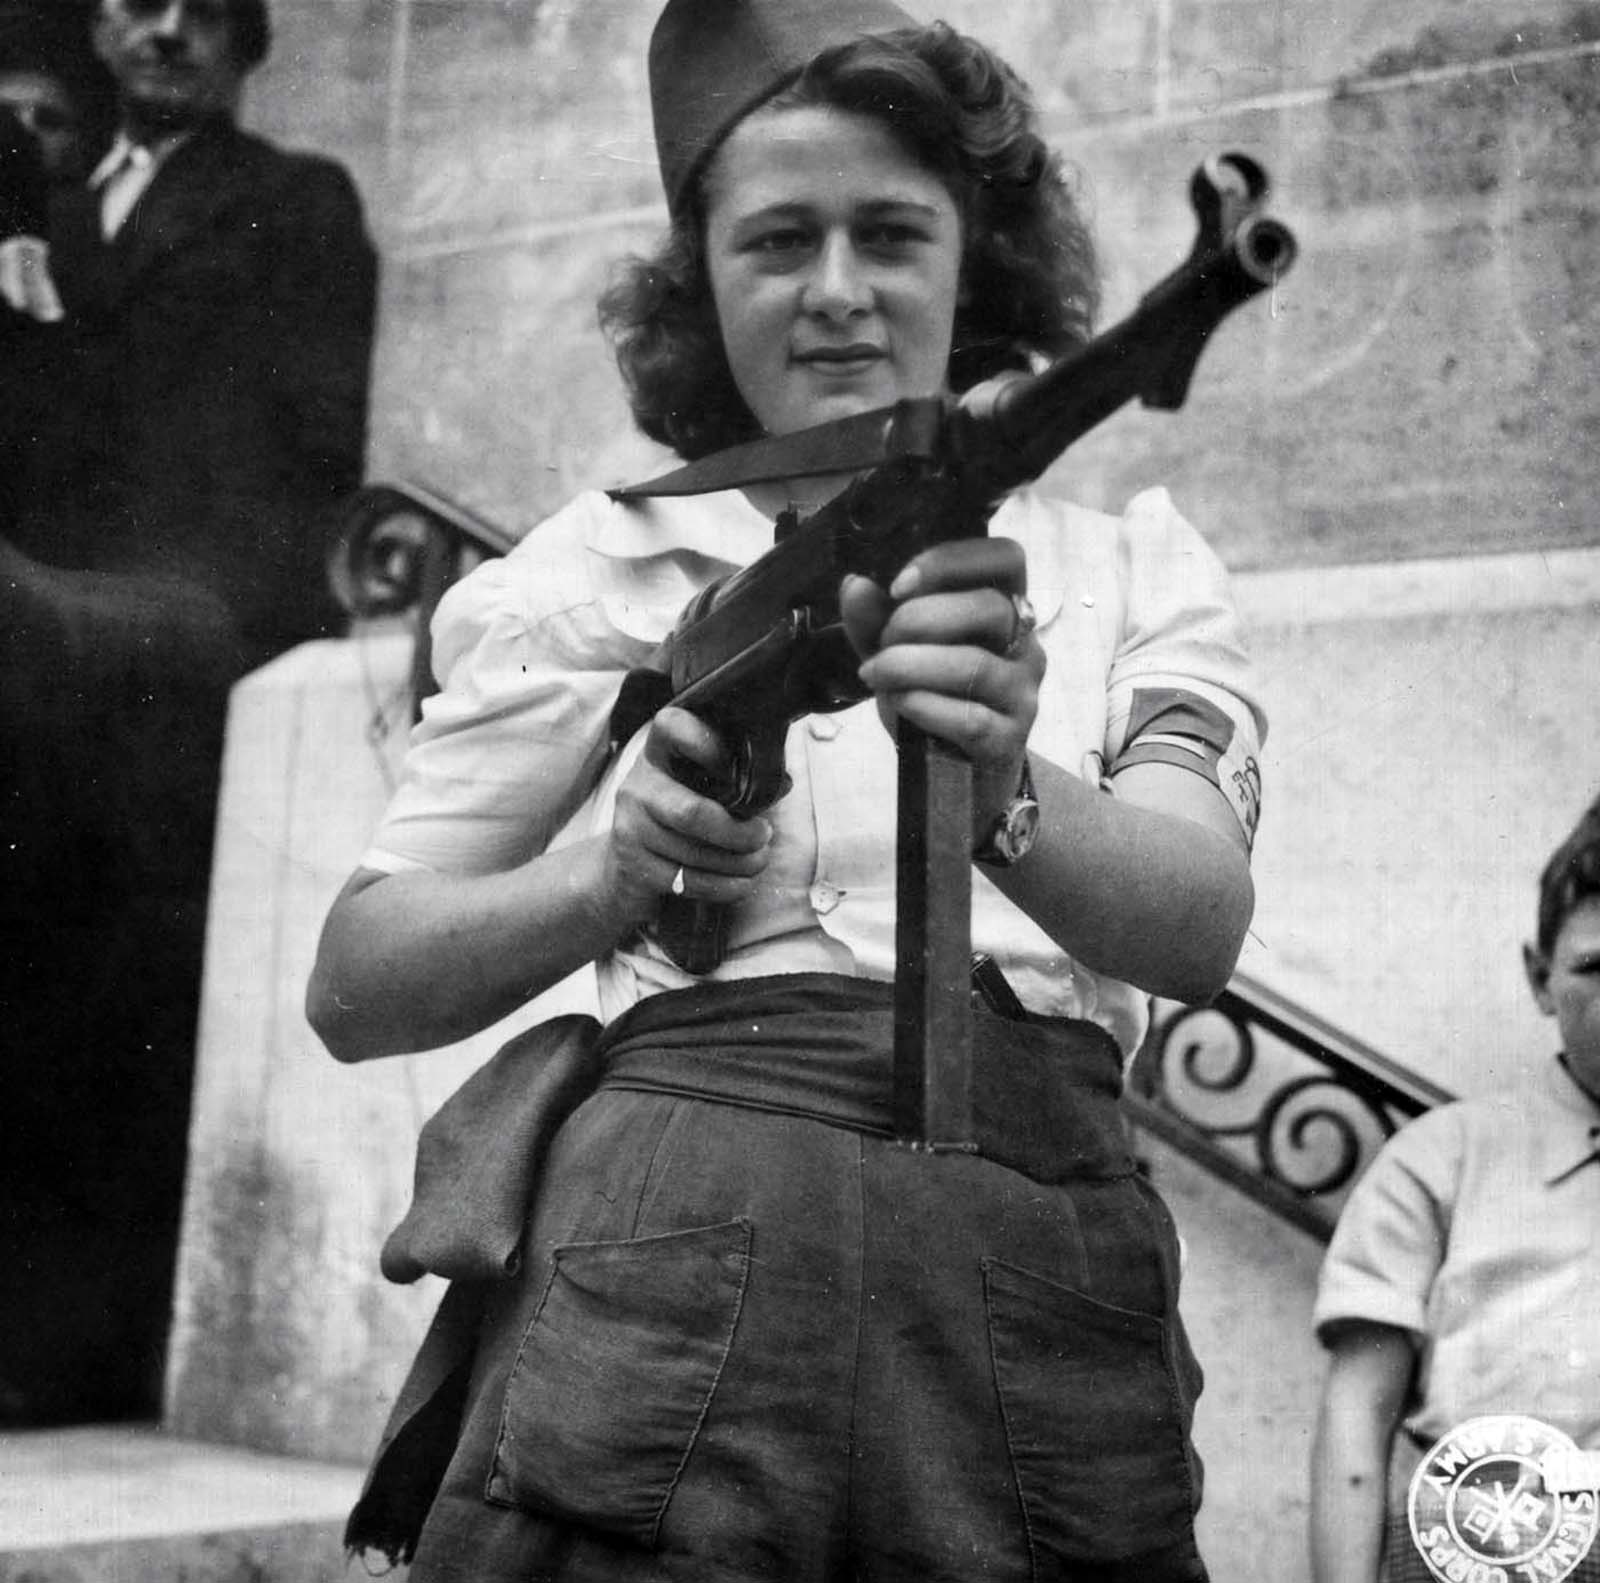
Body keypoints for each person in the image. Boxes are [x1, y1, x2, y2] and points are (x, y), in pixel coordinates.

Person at [309, 1, 1266, 1576]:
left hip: (1035, 1267)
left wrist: (999, 789)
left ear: (979, 258)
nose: (836, 292)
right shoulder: (591, 568)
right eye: (777, 241)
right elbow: (358, 983)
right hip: (666, 1267)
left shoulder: (1135, 566)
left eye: (891, 232)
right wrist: (605, 876)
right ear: (702, 281)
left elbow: (1197, 922)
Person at [0, 0, 376, 1426]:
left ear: (247, 47)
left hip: (173, 630)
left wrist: (178, 606)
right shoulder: (35, 188)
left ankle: (66, 1349)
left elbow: (309, 452)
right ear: (100, 26)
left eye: (205, 11)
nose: (167, 31)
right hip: (33, 631)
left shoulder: (292, 201)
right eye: (140, 2)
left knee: (115, 989)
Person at [1309, 794, 1600, 1583]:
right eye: (1594, 967)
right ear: (1541, 977)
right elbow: (1355, 1420)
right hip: (1477, 1546)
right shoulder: (1442, 1160)